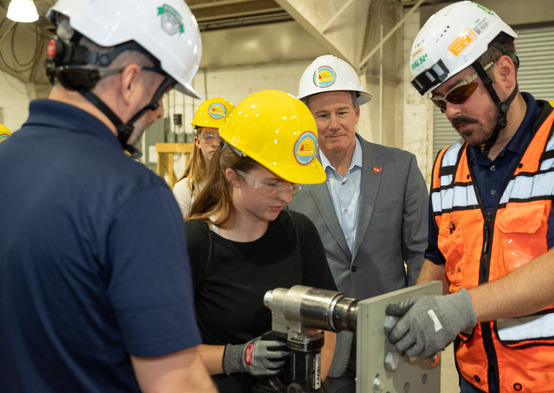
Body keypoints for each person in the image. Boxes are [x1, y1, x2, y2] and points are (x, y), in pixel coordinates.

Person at [0, 0, 217, 392]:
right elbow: (175, 381)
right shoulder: (135, 196)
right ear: (131, 80)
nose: (160, 112)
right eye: (160, 92)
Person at [385, 2, 554, 393]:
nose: (450, 111)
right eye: (439, 100)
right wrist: (420, 311)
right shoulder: (446, 166)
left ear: (505, 74)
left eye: (460, 91)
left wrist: (459, 309)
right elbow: (438, 259)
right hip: (474, 381)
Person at [288, 54, 429, 393]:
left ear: (357, 113)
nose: (333, 124)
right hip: (323, 338)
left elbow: (421, 252)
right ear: (308, 119)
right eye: (321, 115)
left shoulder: (401, 168)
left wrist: (417, 318)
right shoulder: (291, 178)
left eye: (341, 112)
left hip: (391, 334)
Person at [185, 89, 338, 392]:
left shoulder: (299, 232)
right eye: (271, 184)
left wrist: (310, 380)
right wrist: (235, 357)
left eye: (293, 184)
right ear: (233, 176)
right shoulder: (194, 243)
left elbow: (324, 326)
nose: (286, 195)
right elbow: (163, 351)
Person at [174, 97, 235, 218]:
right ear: (197, 142)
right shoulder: (185, 190)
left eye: (222, 137)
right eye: (208, 136)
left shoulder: (241, 185)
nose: (216, 143)